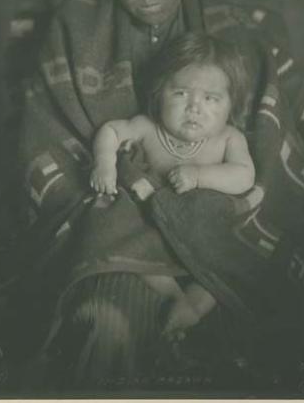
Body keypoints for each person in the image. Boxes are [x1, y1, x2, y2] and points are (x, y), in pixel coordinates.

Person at [10, 0, 304, 388]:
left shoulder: (237, 34)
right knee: (105, 325)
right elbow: (47, 141)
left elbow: (272, 153)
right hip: (110, 226)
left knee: (270, 342)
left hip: (221, 226)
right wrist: (114, 193)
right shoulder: (74, 24)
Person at [90, 31, 256, 339]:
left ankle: (195, 304)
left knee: (219, 266)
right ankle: (173, 298)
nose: (194, 108)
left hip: (201, 234)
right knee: (129, 245)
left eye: (211, 98)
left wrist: (199, 176)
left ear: (232, 105)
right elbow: (111, 131)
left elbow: (244, 175)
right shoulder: (147, 128)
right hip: (155, 235)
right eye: (180, 94)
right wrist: (105, 163)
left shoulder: (229, 138)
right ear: (158, 93)